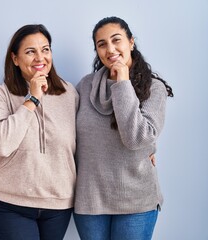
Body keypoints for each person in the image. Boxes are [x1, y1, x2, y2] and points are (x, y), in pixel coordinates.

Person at [73, 16, 174, 240]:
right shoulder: (85, 86)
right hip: (90, 201)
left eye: (116, 40)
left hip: (136, 201)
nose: (110, 49)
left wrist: (123, 82)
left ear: (131, 42)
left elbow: (136, 139)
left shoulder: (153, 89)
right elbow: (65, 132)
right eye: (101, 44)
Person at [0, 24, 79, 240]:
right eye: (30, 51)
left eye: (45, 49)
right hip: (12, 202)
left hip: (59, 202)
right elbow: (1, 144)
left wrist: (146, 149)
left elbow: (88, 137)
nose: (40, 57)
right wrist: (32, 99)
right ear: (15, 59)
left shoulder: (69, 93)